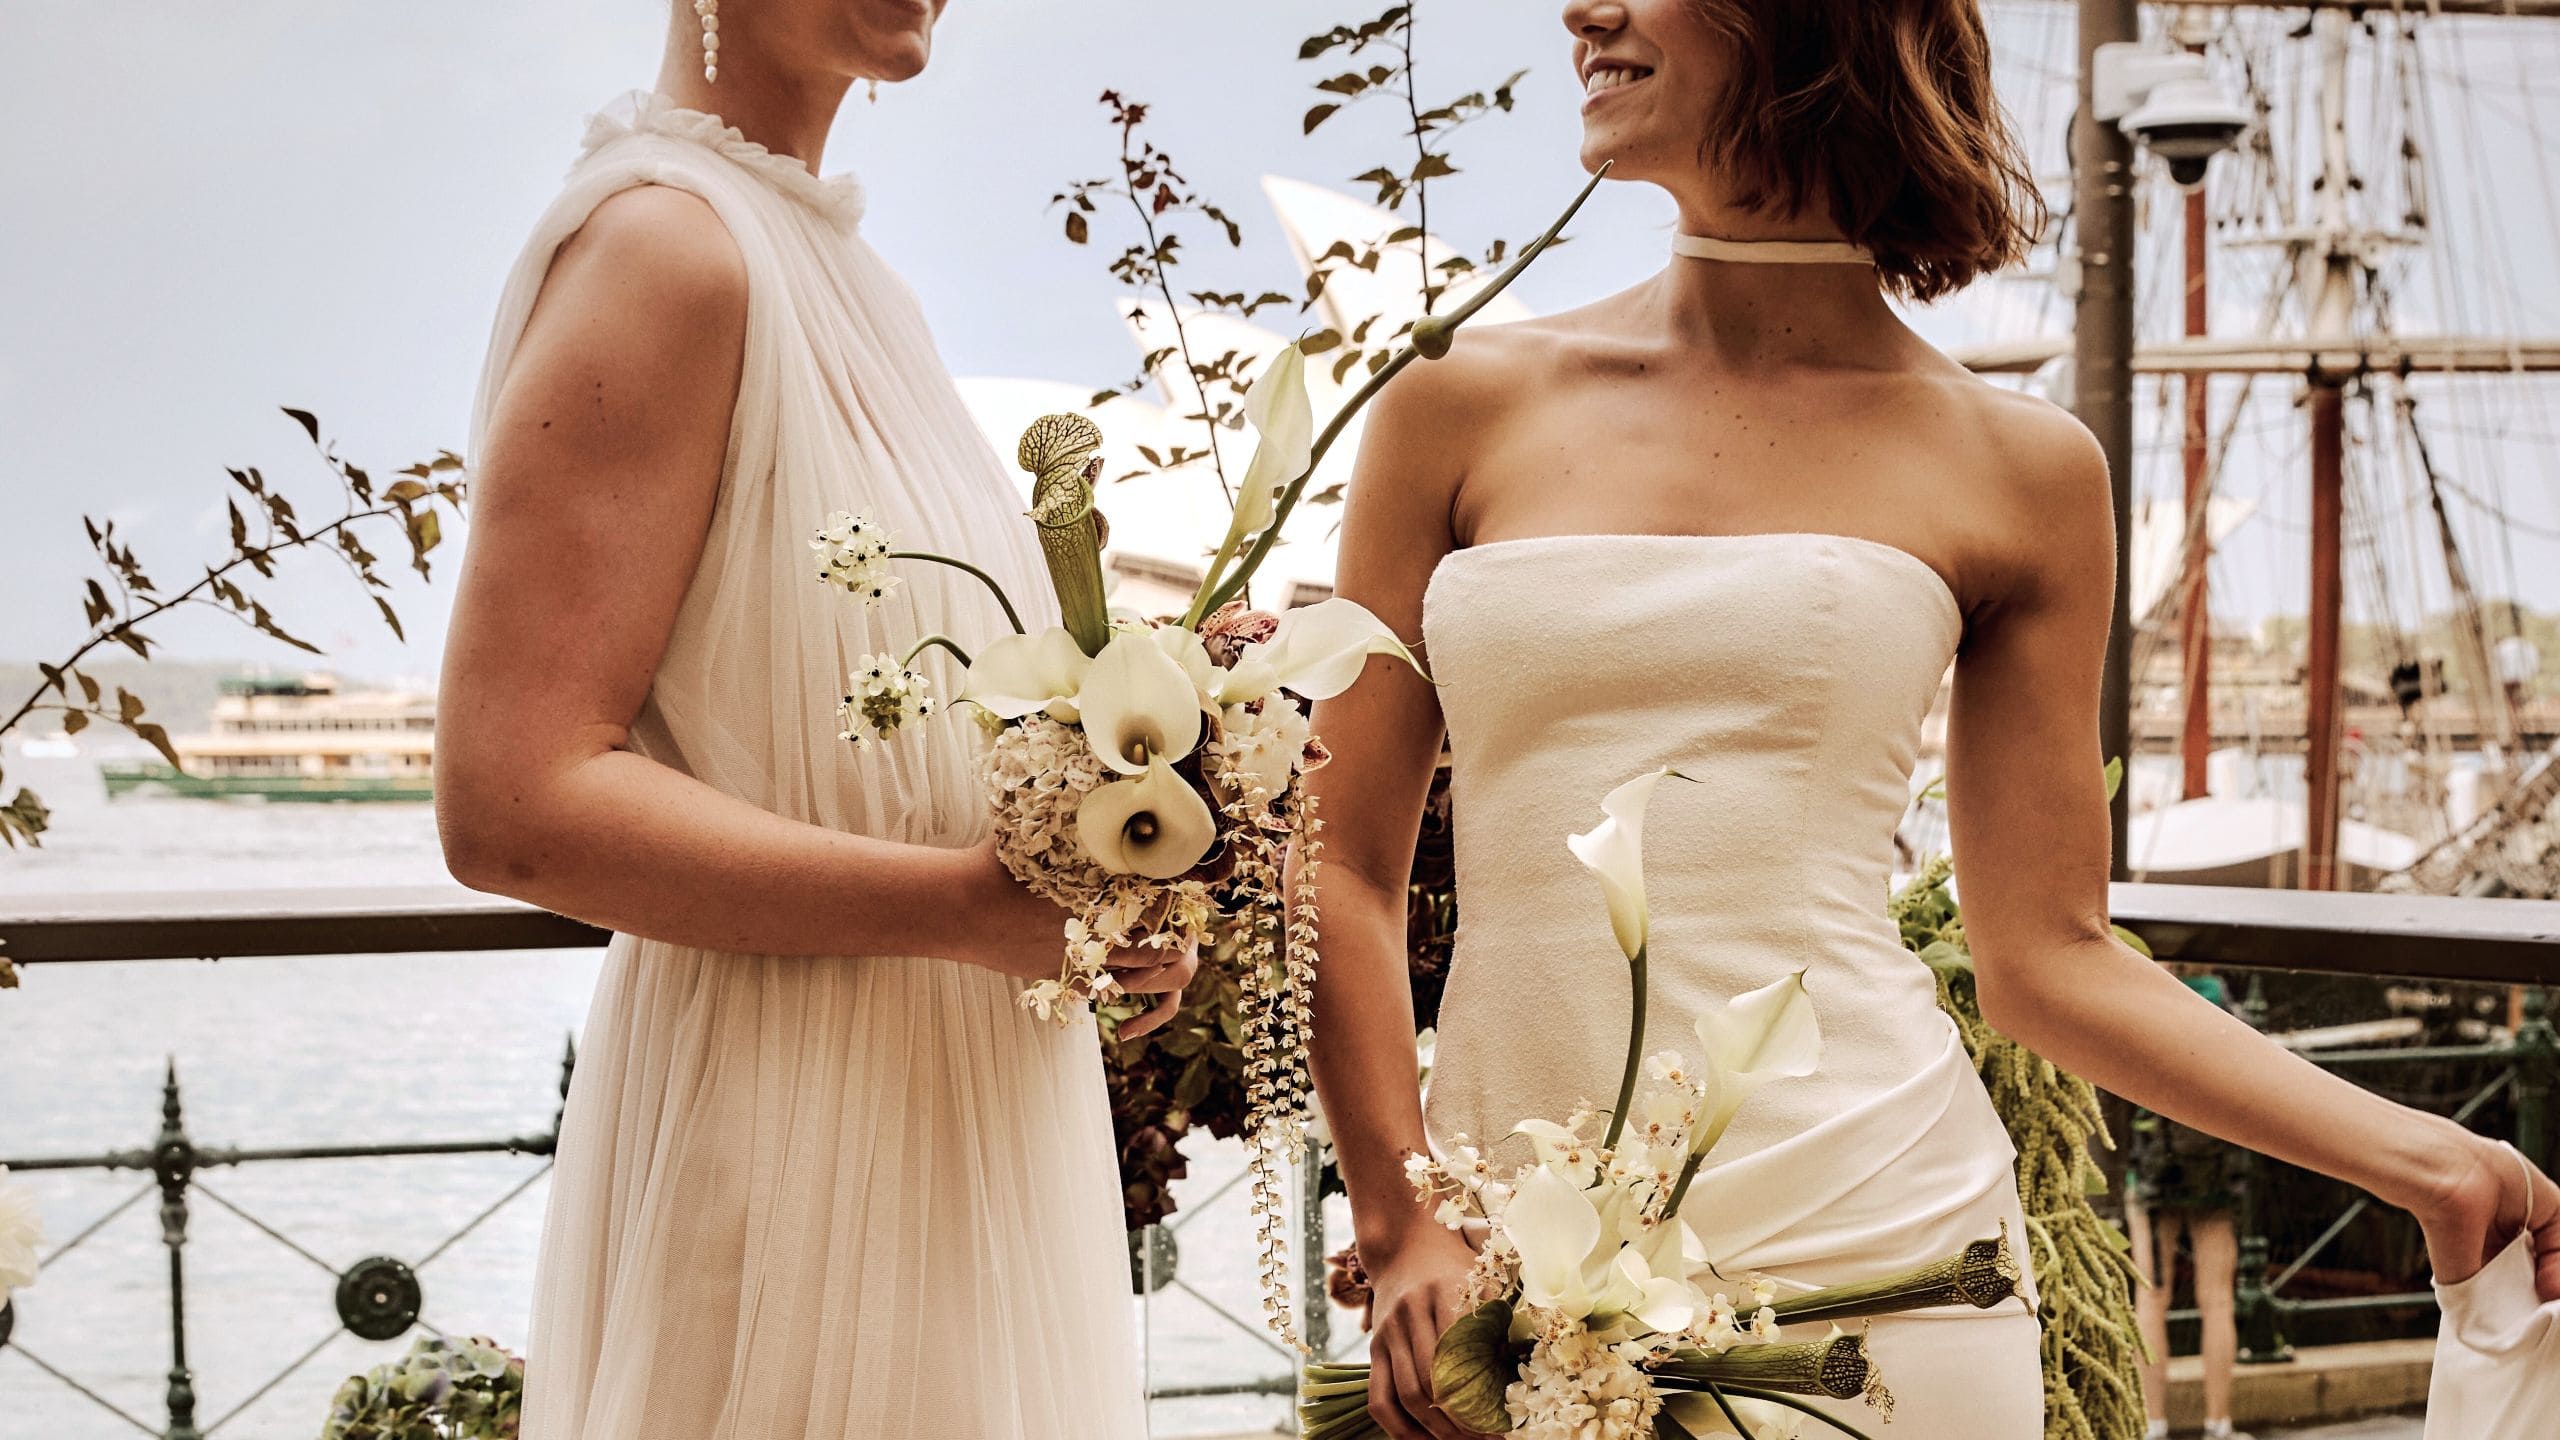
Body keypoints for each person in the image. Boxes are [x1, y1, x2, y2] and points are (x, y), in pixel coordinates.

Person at [1300, 3, 2560, 1437]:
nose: (1584, 10)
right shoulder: (1451, 408)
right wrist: (1405, 1219)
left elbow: (2051, 958)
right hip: (1505, 1289)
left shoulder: (2019, 467)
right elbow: (1344, 868)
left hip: (1882, 1267)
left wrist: (2434, 1162)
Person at [434, 3, 1180, 1435]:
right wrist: (967, 907)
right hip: (796, 1134)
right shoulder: (667, 255)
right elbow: (513, 802)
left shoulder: (852, 280)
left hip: (962, 1113)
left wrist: (1117, 872)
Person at [2126, 969, 2254, 1440]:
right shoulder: (2217, 996)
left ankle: (2153, 1424)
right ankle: (2219, 1425)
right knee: (2217, 1300)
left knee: (2150, 1302)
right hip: (2213, 1173)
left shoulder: (2140, 986)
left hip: (2153, 1172)